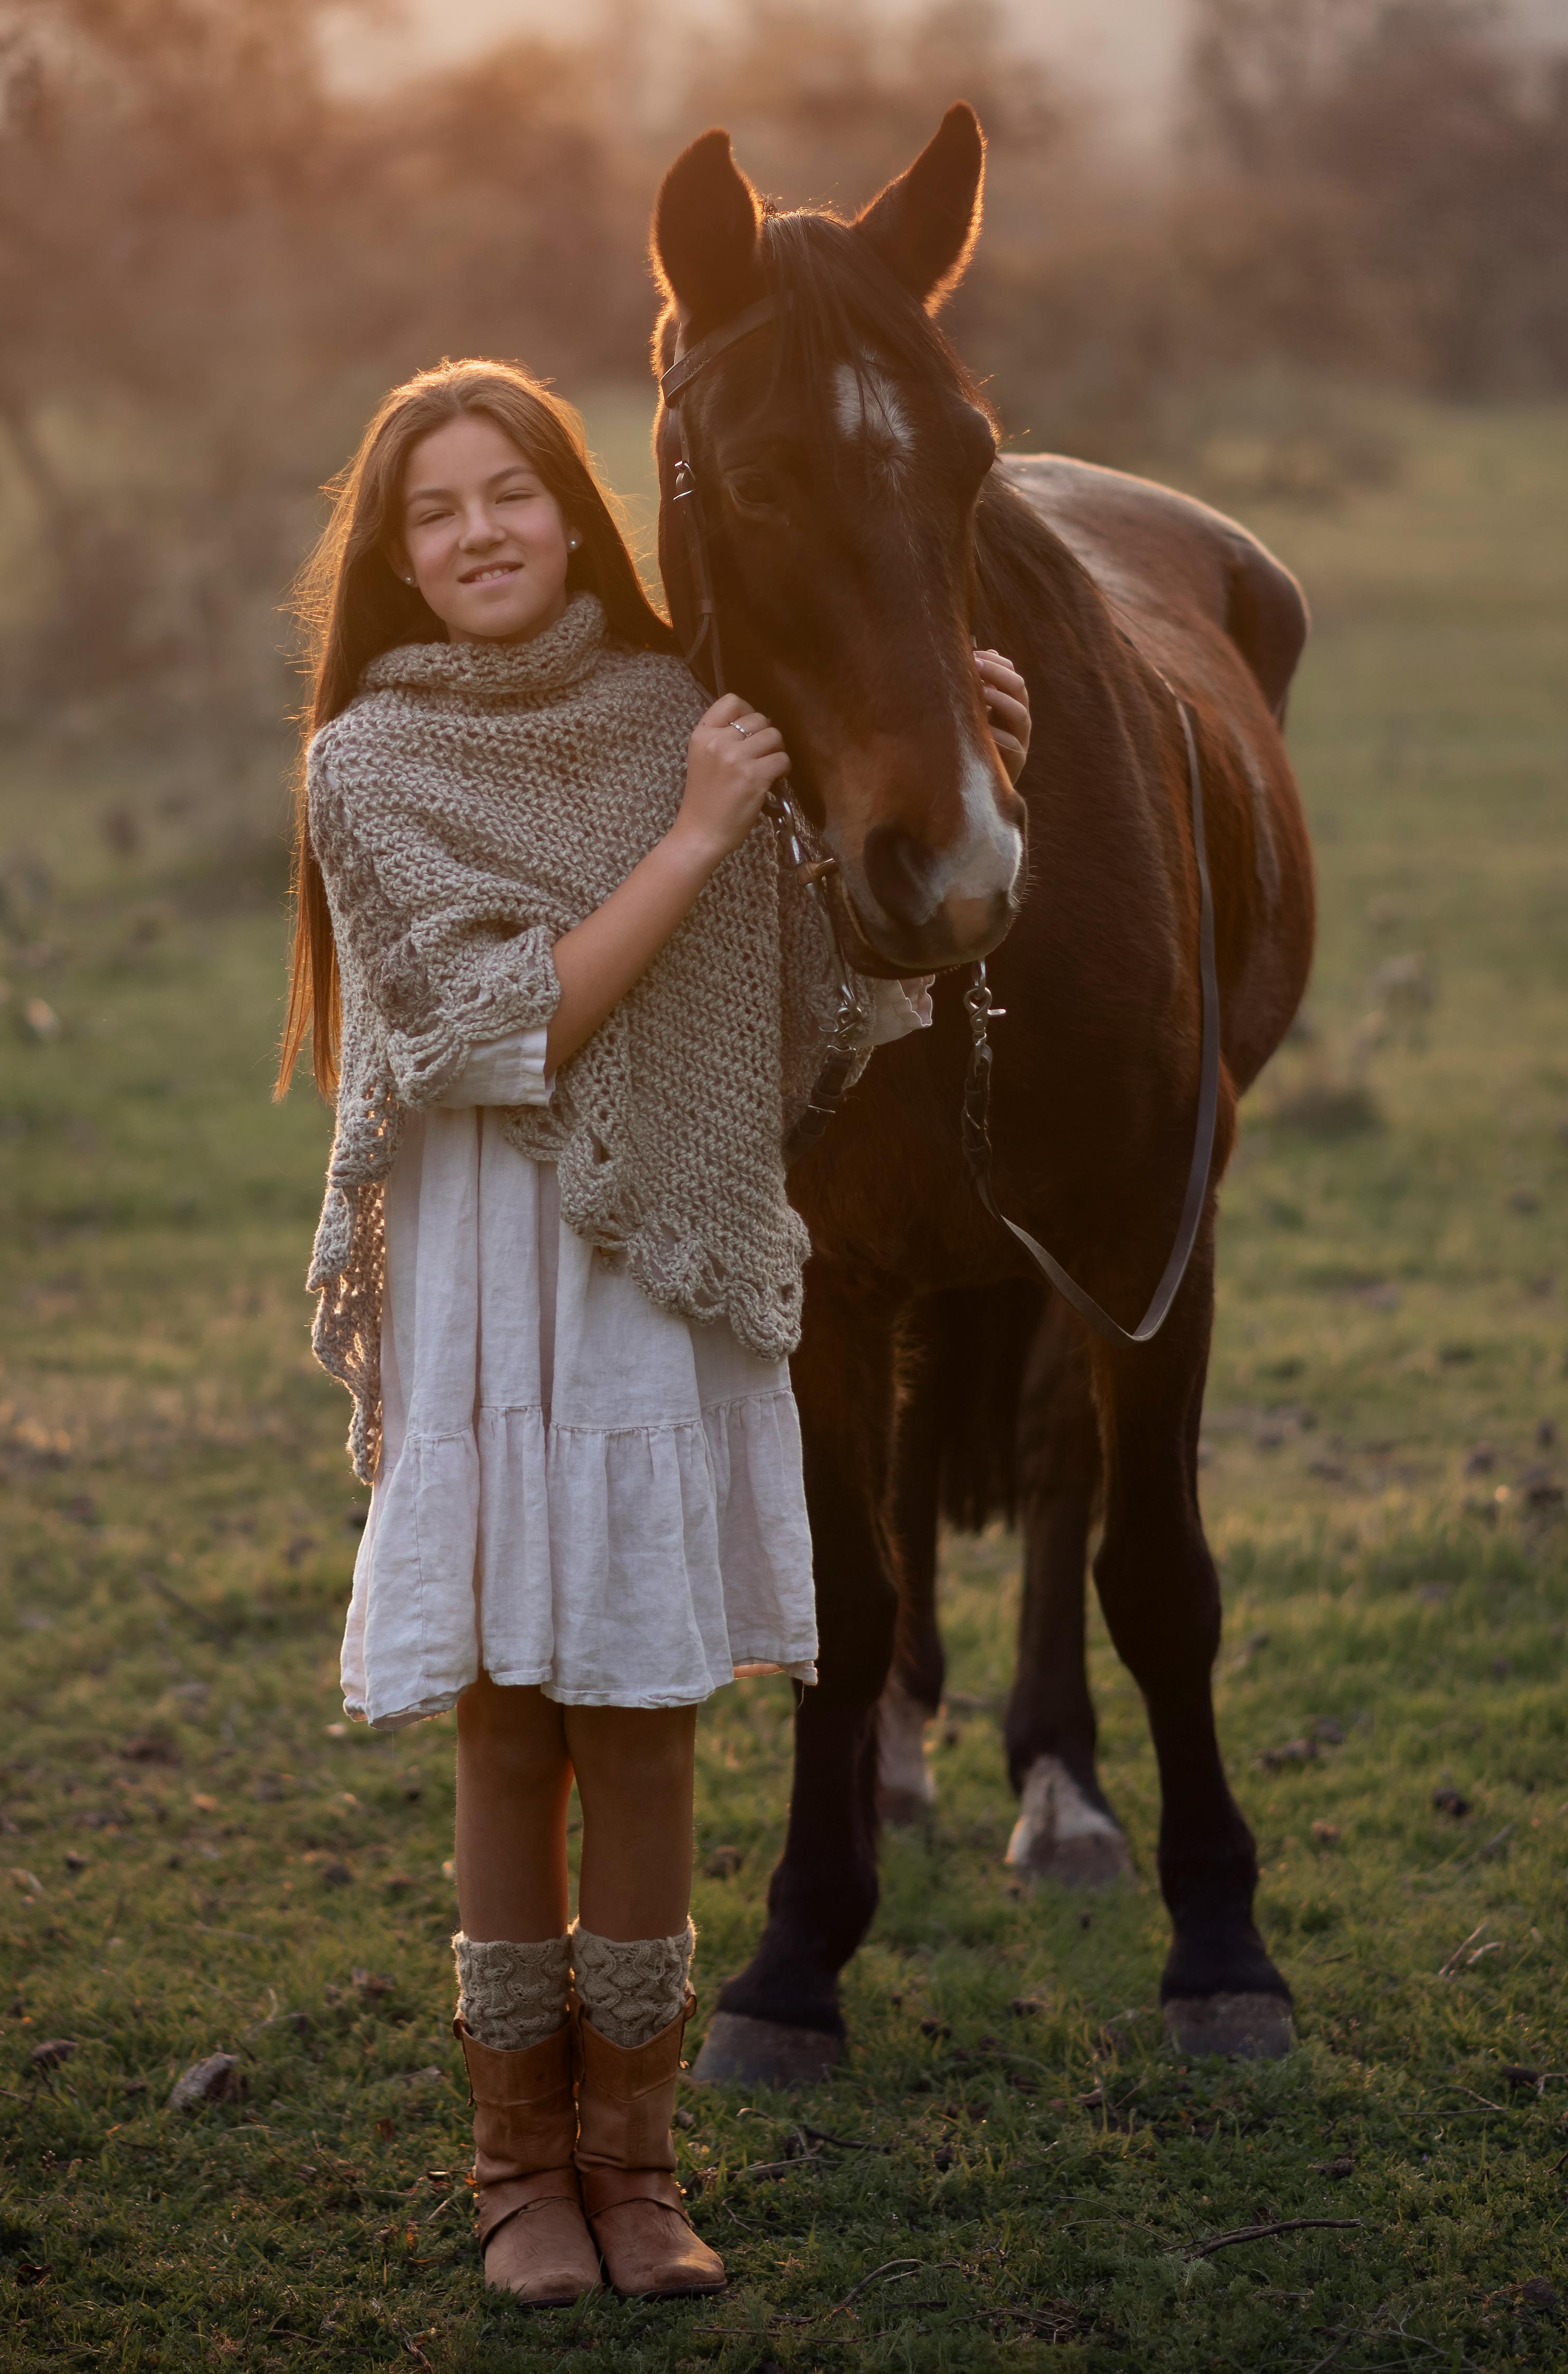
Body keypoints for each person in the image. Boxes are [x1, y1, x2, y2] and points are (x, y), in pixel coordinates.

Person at [278, 358, 1030, 2309]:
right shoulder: (363, 762)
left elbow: (812, 996)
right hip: (487, 1282)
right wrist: (694, 837)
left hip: (655, 1276)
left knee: (644, 1722)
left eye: (509, 492)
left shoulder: (675, 715)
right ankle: (515, 2167)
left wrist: (967, 781)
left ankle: (638, 2159)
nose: (476, 535)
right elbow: (481, 1032)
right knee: (507, 1728)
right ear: (393, 553)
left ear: (574, 505)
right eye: (431, 511)